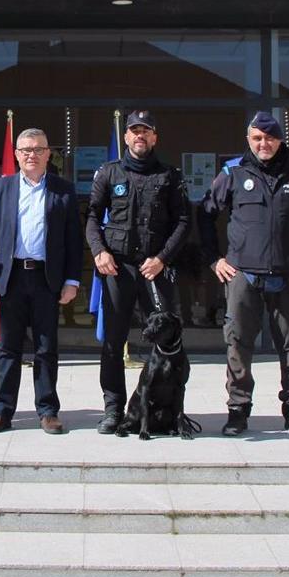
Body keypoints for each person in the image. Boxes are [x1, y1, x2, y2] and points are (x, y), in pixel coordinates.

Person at [196, 111, 289, 436]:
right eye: (257, 138)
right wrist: (215, 260)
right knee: (238, 345)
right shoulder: (233, 172)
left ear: (280, 139)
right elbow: (205, 215)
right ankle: (238, 411)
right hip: (243, 276)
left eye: (269, 137)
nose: (263, 144)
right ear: (248, 140)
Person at [86, 109, 191, 434]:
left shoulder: (170, 176)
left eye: (145, 130)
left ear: (155, 136)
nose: (139, 136)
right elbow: (91, 217)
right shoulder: (108, 172)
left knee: (167, 344)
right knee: (113, 344)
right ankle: (114, 409)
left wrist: (162, 258)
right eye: (134, 131)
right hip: (118, 269)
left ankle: (172, 412)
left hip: (154, 270)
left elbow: (184, 222)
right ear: (126, 136)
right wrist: (99, 251)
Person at [0, 128, 83, 434]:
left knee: (46, 348)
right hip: (10, 277)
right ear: (17, 156)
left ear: (49, 154)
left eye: (38, 149)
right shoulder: (1, 188)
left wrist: (72, 280)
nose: (31, 155)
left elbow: (73, 240)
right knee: (8, 348)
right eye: (25, 150)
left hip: (46, 279)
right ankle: (2, 411)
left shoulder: (63, 190)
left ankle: (48, 411)